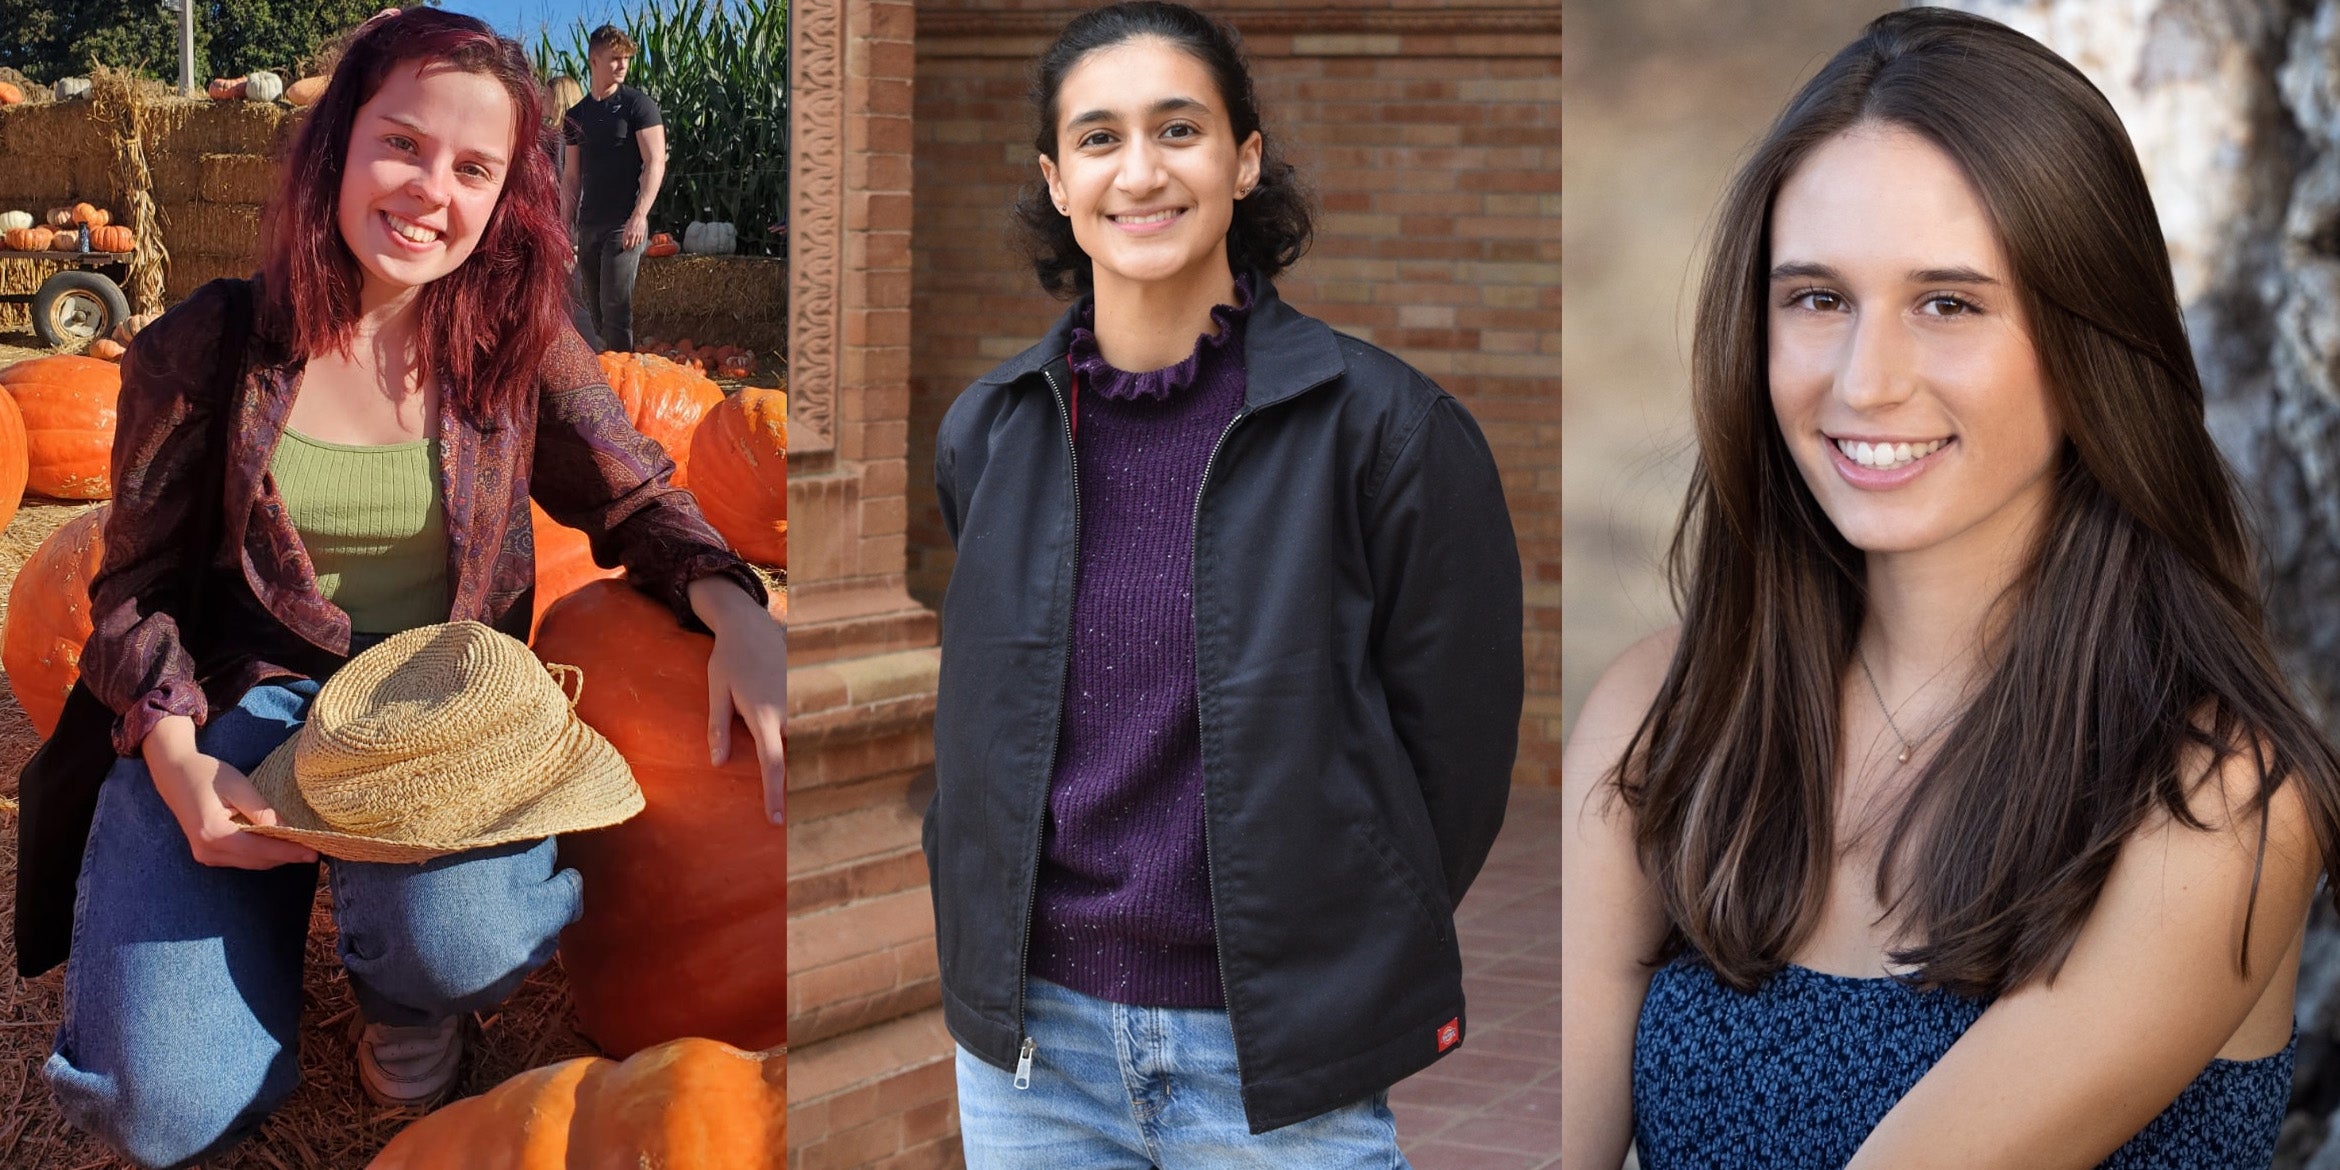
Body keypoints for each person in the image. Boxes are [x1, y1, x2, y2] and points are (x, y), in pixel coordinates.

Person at [1561, 9, 2340, 1169]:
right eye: (1818, 298)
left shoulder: (2209, 798)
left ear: (2091, 339)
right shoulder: (1664, 710)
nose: (1866, 383)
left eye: (1950, 303)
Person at [43, 11, 787, 1168]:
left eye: (474, 166)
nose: (431, 190)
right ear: (338, 144)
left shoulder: (518, 341)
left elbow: (637, 497)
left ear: (505, 193)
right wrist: (176, 750)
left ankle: (406, 995)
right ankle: (259, 917)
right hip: (241, 701)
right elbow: (131, 584)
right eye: (402, 143)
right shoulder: (206, 347)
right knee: (168, 1109)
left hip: (441, 719)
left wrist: (736, 607)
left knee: (465, 939)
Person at [925, 3, 1522, 1165]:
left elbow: (1454, 764)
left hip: (1268, 1062)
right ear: (1057, 181)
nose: (1139, 171)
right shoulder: (991, 434)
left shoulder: (1389, 434)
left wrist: (1332, 944)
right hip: (1033, 1057)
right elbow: (989, 718)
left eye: (1179, 129)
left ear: (1243, 160)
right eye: (1098, 139)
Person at [560, 23, 664, 353]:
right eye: (615, 58)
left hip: (625, 223)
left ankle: (622, 385)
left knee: (616, 308)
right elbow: (571, 177)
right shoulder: (576, 116)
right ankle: (607, 374)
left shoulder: (638, 106)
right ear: (594, 59)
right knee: (596, 311)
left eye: (627, 59)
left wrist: (640, 216)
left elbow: (655, 162)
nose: (622, 65)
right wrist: (564, 229)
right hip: (590, 224)